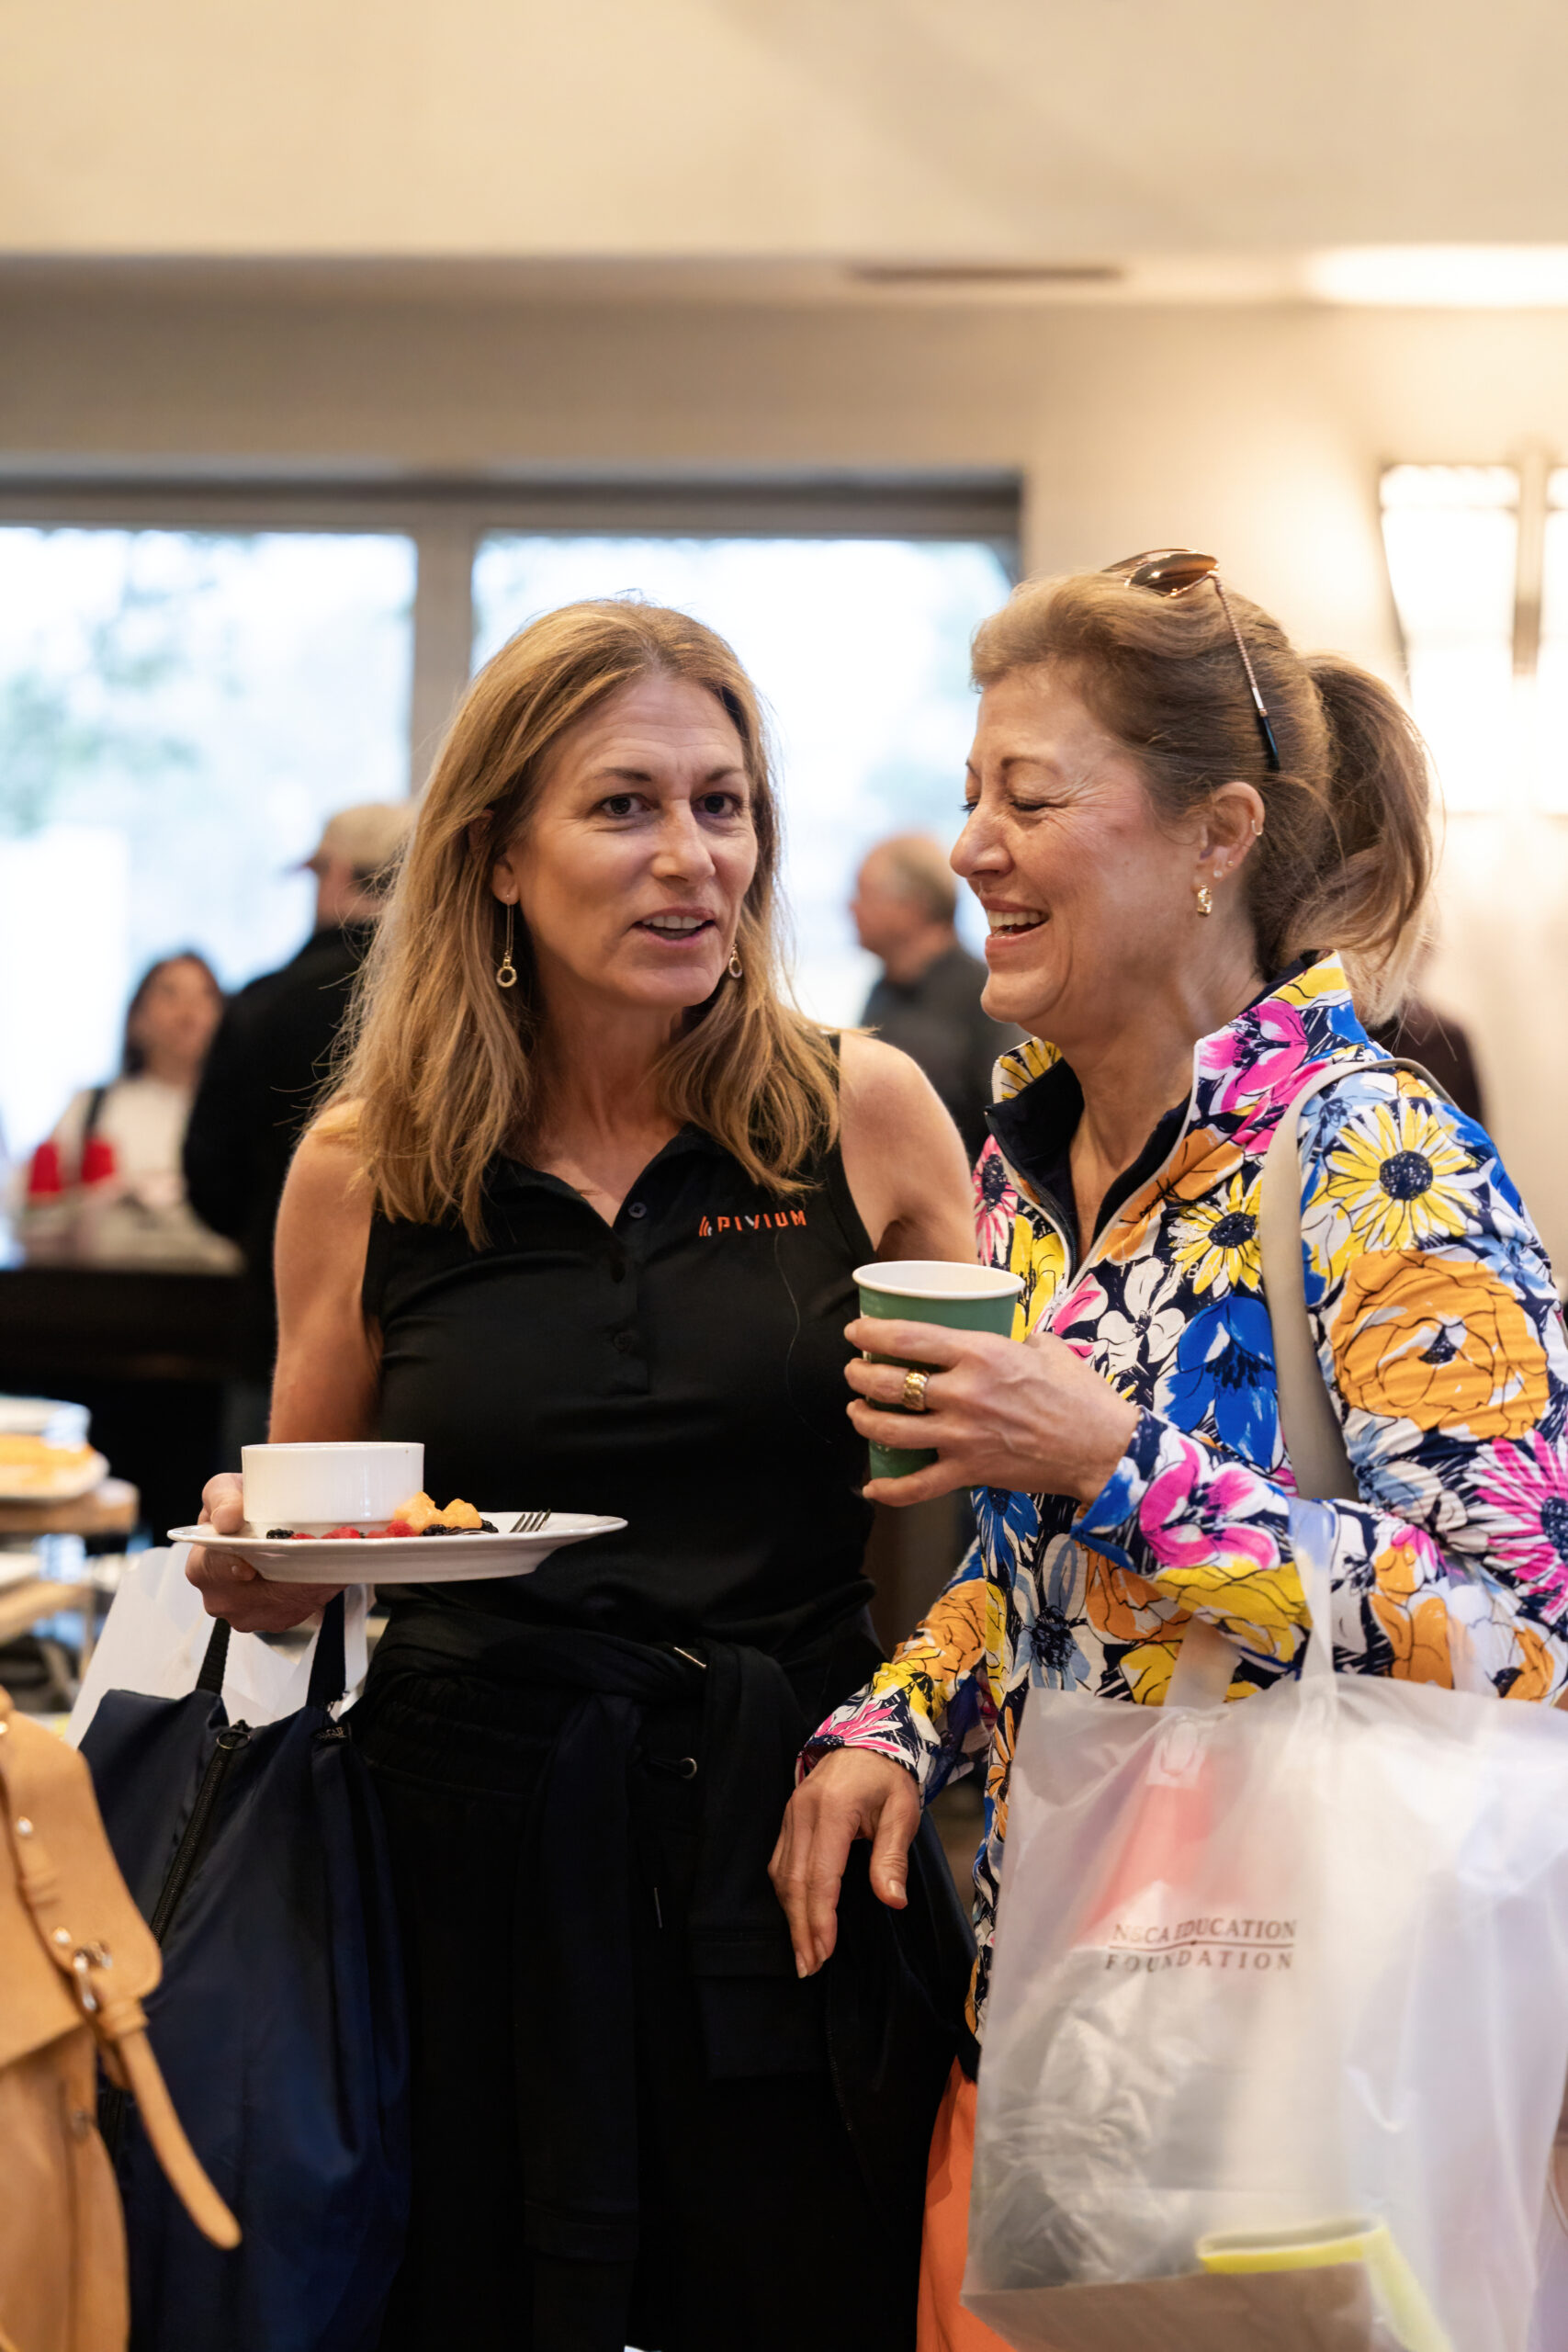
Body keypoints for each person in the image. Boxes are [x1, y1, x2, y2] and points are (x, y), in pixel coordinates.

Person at [770, 551, 1568, 2350]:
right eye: (968, 792)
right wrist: (900, 1715)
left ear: (1214, 835)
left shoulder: (1375, 1150)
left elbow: (1526, 1636)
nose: (970, 842)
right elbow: (1049, 1579)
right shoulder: (1025, 1168)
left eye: (1026, 797)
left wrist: (1114, 1452)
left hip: (1323, 2035)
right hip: (1074, 1993)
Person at [185, 602, 977, 2352]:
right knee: (468, 2297)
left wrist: (922, 1724)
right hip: (460, 1833)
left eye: (725, 803)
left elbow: (1010, 1471)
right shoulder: (369, 1166)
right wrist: (253, 1555)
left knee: (798, 2294)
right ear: (496, 860)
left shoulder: (860, 1112)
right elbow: (318, 1526)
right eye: (624, 806)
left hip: (797, 1821)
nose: (690, 858)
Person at [183, 801, 412, 1433]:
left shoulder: (264, 1004)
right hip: (437, 1340)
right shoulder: (461, 1007)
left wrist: (277, 1238)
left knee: (277, 1518)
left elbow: (207, 1175)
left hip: (281, 1332)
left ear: (334, 873)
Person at [18, 950, 233, 1267]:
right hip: (107, 1296)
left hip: (213, 1295)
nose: (188, 1011)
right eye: (169, 994)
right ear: (138, 1018)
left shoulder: (232, 1115)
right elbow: (37, 1213)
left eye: (204, 996)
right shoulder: (93, 1106)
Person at [852, 832, 1021, 1163]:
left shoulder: (987, 993)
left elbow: (1013, 1119)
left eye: (864, 893)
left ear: (912, 906)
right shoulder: (881, 992)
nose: (851, 906)